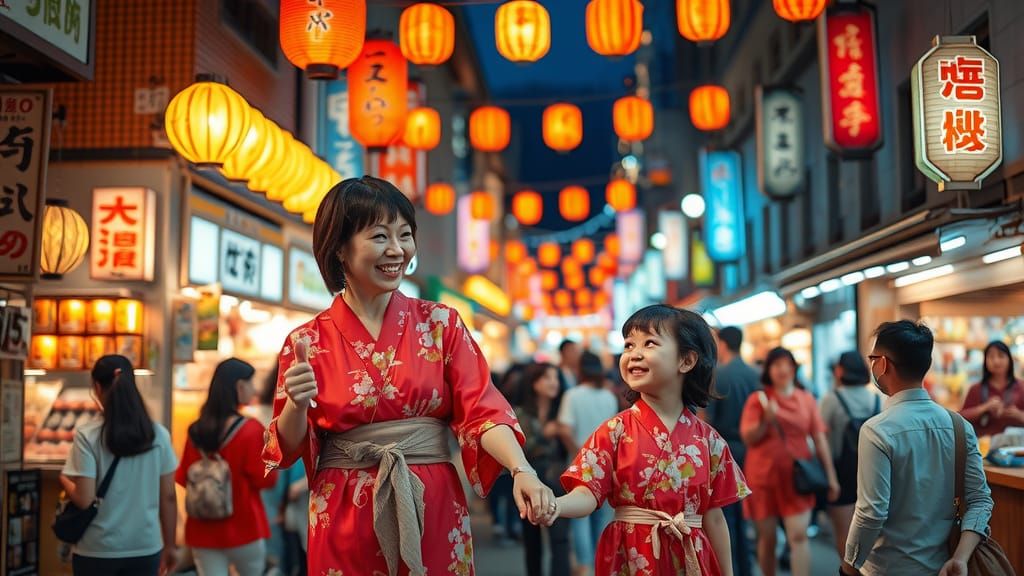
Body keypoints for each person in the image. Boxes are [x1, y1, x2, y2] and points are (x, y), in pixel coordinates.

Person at [261, 176, 555, 576]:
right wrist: (296, 405)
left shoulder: (441, 324)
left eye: (405, 235)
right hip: (344, 510)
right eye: (380, 236)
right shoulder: (306, 340)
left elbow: (482, 410)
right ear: (340, 248)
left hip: (430, 502)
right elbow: (288, 446)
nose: (397, 250)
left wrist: (523, 469)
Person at [551, 304, 751, 575]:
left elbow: (714, 518)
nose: (634, 355)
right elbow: (587, 492)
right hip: (631, 557)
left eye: (649, 343)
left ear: (686, 361)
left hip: (691, 558)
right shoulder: (613, 430)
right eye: (629, 345)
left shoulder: (710, 441)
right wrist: (555, 505)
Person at [842, 321, 993, 576]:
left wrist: (848, 566)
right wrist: (960, 558)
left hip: (886, 569)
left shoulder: (876, 430)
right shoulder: (959, 426)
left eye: (872, 358)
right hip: (944, 566)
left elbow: (871, 514)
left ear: (883, 364)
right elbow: (980, 500)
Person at [60, 355, 178, 576]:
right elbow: (169, 496)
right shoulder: (158, 435)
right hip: (145, 547)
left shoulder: (88, 436)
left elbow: (84, 499)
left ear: (96, 387)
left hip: (97, 551)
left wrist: (65, 480)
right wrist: (170, 545)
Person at [740, 347, 839, 576]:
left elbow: (819, 439)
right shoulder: (758, 400)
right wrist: (765, 421)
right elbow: (748, 437)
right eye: (776, 365)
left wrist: (831, 478)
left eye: (786, 364)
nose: (782, 369)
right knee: (768, 539)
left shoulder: (806, 400)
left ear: (794, 368)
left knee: (798, 536)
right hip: (762, 478)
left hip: (797, 478)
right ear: (768, 370)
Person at [177, 358, 279, 576]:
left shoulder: (196, 430)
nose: (255, 388)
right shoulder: (251, 430)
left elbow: (183, 477)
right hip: (244, 528)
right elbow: (267, 480)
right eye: (251, 383)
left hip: (202, 530)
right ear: (239, 387)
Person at [704, 326, 759, 576]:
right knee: (747, 516)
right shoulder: (755, 374)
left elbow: (707, 421)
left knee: (726, 518)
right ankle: (747, 568)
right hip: (753, 450)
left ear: (722, 344)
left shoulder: (718, 376)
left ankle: (732, 569)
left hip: (723, 451)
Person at [557, 350, 618, 576]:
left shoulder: (572, 395)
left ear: (580, 369)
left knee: (580, 518)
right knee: (602, 517)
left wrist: (579, 454)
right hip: (607, 466)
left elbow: (564, 429)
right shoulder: (609, 397)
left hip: (579, 466)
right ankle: (601, 563)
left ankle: (584, 566)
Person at [818, 351, 881, 561]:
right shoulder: (877, 398)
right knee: (873, 535)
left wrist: (830, 479)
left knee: (845, 536)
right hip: (875, 473)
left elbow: (821, 442)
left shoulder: (832, 399)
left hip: (841, 475)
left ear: (840, 371)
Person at [515, 362, 572, 575]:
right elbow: (518, 449)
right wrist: (544, 436)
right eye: (547, 378)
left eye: (556, 378)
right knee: (531, 540)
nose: (554, 383)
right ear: (534, 382)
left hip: (558, 480)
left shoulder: (562, 412)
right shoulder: (520, 412)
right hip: (529, 481)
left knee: (560, 539)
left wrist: (563, 433)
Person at [960, 340, 1024, 437]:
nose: (996, 361)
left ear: (1009, 359)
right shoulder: (976, 389)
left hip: (1017, 448)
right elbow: (960, 418)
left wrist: (1019, 415)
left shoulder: (1022, 387)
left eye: (1001, 356)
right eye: (991, 357)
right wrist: (984, 408)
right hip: (983, 447)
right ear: (985, 361)